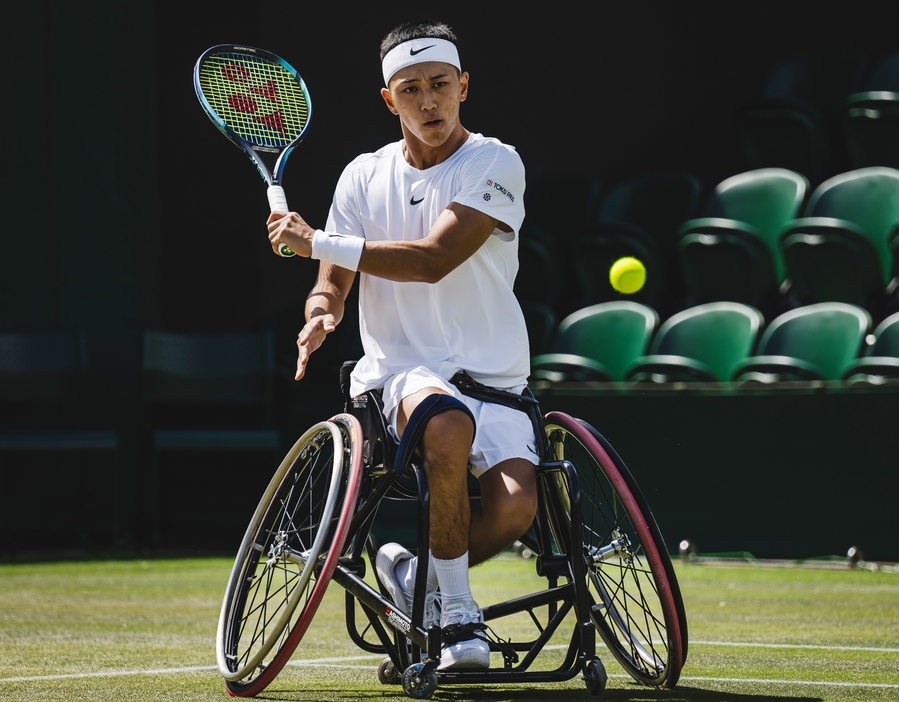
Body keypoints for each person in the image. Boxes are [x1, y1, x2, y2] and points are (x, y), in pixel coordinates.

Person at [266, 19, 537, 670]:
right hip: (401, 373)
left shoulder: (495, 163)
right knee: (443, 425)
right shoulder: (362, 176)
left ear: (463, 86)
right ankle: (460, 620)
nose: (428, 102)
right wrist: (320, 309)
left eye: (440, 85)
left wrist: (313, 241)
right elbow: (333, 281)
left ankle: (416, 579)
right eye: (410, 90)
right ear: (389, 100)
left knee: (515, 509)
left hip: (496, 382)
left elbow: (432, 259)